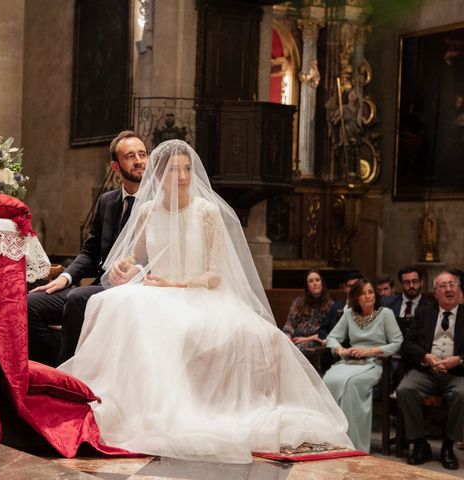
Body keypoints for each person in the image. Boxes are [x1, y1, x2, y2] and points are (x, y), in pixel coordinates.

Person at [59, 140, 353, 463]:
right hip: (159, 291)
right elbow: (138, 256)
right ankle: (127, 401)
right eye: (174, 169)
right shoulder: (147, 211)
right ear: (160, 174)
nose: (183, 176)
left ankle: (172, 409)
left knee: (156, 317)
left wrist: (173, 283)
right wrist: (124, 266)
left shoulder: (206, 212)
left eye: (187, 168)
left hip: (200, 294)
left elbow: (214, 277)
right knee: (112, 304)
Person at [27, 131, 148, 366]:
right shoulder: (107, 201)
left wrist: (138, 270)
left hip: (134, 288)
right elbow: (91, 252)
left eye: (143, 154)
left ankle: (68, 376)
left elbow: (163, 254)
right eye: (130, 156)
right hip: (100, 284)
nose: (139, 161)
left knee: (77, 298)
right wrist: (66, 276)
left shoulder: (160, 202)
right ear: (115, 166)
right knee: (30, 305)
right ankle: (54, 369)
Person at [323, 278, 403, 452]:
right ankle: (332, 440)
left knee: (352, 384)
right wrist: (341, 351)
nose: (367, 296)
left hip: (375, 362)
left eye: (370, 292)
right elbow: (332, 337)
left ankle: (353, 444)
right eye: (362, 293)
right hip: (349, 361)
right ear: (356, 298)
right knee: (328, 380)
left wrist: (371, 351)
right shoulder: (349, 314)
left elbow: (397, 342)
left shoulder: (385, 314)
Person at [396, 271, 464, 470]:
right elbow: (407, 344)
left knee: (462, 393)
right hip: (426, 371)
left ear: (459, 290)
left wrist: (458, 360)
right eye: (443, 286)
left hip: (456, 372)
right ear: (435, 293)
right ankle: (419, 443)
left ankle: (448, 446)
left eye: (452, 285)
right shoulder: (424, 313)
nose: (449, 289)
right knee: (404, 390)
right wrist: (425, 357)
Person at [282, 270, 333, 351]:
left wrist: (307, 339)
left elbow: (328, 333)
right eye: (311, 281)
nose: (315, 283)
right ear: (307, 287)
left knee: (299, 348)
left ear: (322, 283)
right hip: (296, 338)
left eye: (317, 280)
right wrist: (286, 339)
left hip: (317, 342)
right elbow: (289, 325)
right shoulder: (298, 302)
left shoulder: (330, 305)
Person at [389, 266, 433, 336]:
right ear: (401, 285)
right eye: (407, 282)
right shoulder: (388, 304)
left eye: (415, 281)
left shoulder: (430, 308)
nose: (411, 286)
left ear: (421, 283)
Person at [318, 272, 362, 339]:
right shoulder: (335, 306)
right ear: (345, 288)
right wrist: (328, 339)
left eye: (356, 286)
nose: (353, 289)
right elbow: (322, 329)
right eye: (350, 286)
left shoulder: (366, 308)